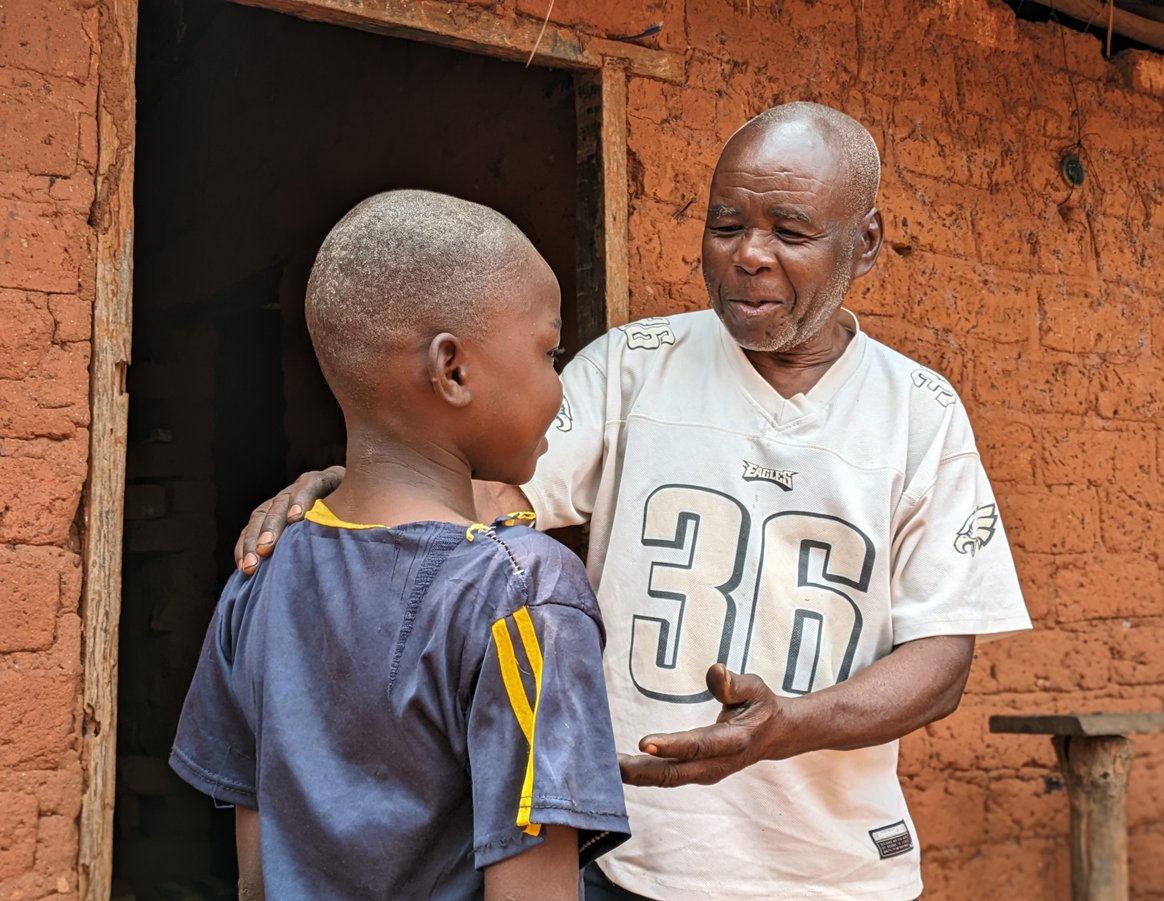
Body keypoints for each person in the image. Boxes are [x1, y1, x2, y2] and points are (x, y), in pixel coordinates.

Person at [237, 104, 1031, 900]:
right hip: (630, 860)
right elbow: (488, 492)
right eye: (726, 225)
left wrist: (787, 725)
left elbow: (939, 662)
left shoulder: (920, 413)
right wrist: (359, 489)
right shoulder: (633, 367)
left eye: (789, 232)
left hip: (831, 869)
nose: (750, 255)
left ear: (864, 242)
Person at [171, 190, 630, 899]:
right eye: (549, 351)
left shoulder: (259, 570)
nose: (561, 391)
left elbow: (257, 879)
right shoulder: (524, 592)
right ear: (452, 369)